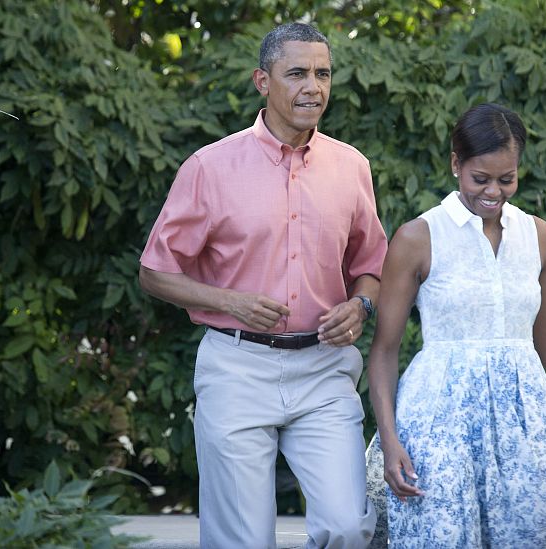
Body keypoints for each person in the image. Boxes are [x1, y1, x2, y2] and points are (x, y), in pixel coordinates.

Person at [138, 22, 386, 548]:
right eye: (296, 73)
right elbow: (155, 271)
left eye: (322, 74)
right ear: (261, 81)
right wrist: (230, 302)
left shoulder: (351, 167)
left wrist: (361, 304)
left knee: (347, 527)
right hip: (236, 367)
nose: (312, 87)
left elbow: (372, 264)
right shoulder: (209, 167)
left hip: (323, 369)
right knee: (241, 541)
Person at [366, 103, 546, 547]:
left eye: (507, 179)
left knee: (535, 536)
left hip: (525, 423)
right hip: (440, 422)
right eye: (480, 178)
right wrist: (389, 441)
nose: (494, 192)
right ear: (456, 164)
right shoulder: (419, 237)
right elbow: (384, 351)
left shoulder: (537, 235)